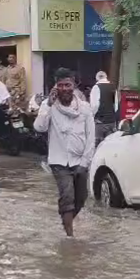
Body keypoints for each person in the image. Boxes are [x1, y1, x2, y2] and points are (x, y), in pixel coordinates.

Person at [34, 68, 97, 237]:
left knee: (81, 198)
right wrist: (47, 104)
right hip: (58, 160)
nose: (64, 89)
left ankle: (65, 221)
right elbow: (39, 127)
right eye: (60, 85)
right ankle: (70, 237)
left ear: (74, 85)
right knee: (67, 194)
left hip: (80, 161)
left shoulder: (84, 108)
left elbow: (91, 137)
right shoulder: (49, 106)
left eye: (67, 85)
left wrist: (85, 163)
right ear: (55, 87)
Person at [86, 70, 119, 144]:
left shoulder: (96, 87)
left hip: (100, 122)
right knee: (110, 144)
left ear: (97, 78)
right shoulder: (113, 87)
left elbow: (95, 105)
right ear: (106, 77)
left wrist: (93, 116)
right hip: (111, 122)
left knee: (98, 145)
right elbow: (116, 105)